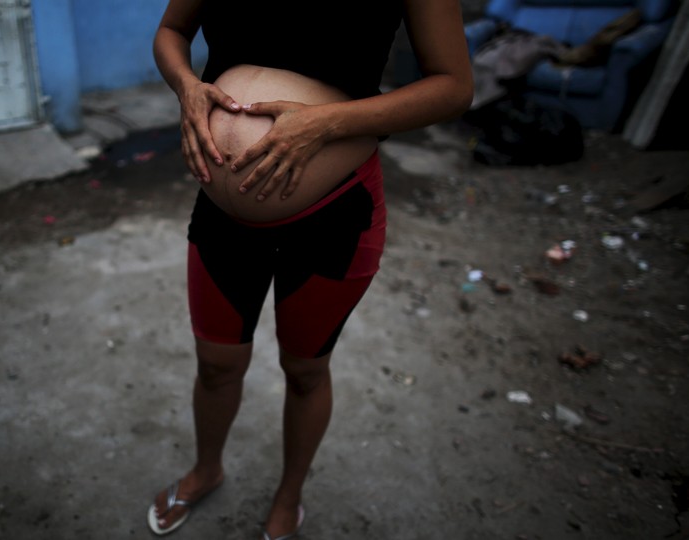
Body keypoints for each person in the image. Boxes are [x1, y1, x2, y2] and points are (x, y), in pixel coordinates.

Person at [148, 1, 473, 538]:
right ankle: (206, 469)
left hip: (335, 215)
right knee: (215, 364)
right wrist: (187, 87)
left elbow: (453, 86)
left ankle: (288, 495)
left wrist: (326, 123)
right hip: (222, 216)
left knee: (304, 371)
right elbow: (171, 30)